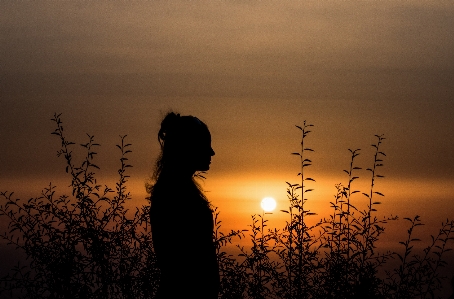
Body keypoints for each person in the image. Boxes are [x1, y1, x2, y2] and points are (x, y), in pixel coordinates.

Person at [148, 112, 219, 299]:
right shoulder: (174, 193)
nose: (212, 152)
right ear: (189, 147)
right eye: (206, 145)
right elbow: (181, 259)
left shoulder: (175, 189)